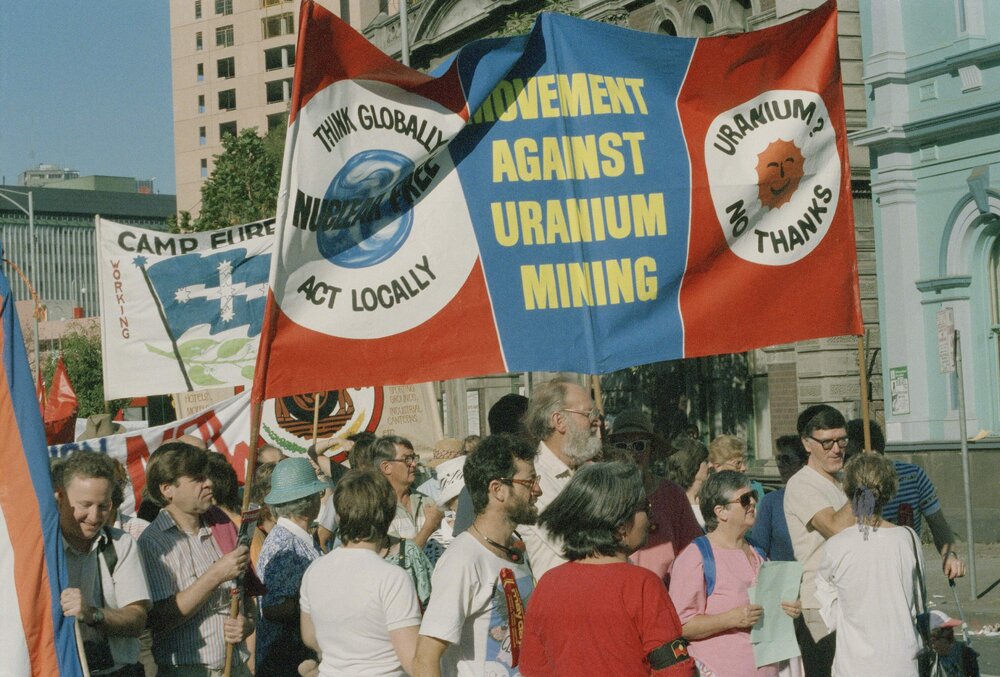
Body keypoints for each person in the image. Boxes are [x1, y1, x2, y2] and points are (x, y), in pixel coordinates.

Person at [520, 461, 695, 676]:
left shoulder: (548, 584)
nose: (650, 515)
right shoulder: (642, 585)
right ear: (620, 526)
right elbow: (675, 670)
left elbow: (533, 668)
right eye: (645, 507)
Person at [413, 435, 539, 677]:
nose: (538, 490)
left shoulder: (514, 548)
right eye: (529, 482)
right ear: (498, 490)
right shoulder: (463, 559)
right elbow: (424, 659)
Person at [138, 442, 255, 676]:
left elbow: (247, 600)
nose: (208, 483)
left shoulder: (222, 527)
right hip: (189, 670)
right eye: (197, 479)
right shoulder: (153, 543)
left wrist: (246, 624)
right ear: (167, 489)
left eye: (207, 476)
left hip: (236, 667)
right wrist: (215, 575)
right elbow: (160, 619)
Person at [671, 471, 801, 676]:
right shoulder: (697, 556)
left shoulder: (758, 552)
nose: (752, 503)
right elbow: (681, 625)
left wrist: (789, 608)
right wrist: (731, 619)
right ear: (721, 511)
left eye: (754, 497)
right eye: (744, 499)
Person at [299, 470, 422, 675]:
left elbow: (310, 636)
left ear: (339, 514)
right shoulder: (392, 578)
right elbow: (413, 660)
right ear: (389, 514)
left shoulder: (315, 570)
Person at [816, 454, 924, 676]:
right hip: (902, 661)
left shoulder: (836, 546)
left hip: (854, 664)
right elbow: (919, 600)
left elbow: (827, 606)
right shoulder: (908, 539)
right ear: (889, 492)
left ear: (849, 492)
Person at [53, 451, 151, 677]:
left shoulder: (120, 543)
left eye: (103, 506)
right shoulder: (41, 551)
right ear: (60, 499)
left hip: (119, 671)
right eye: (85, 505)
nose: (95, 516)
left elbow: (137, 619)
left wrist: (92, 614)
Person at [845, 419, 966, 581]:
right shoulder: (847, 483)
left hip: (907, 574)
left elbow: (938, 525)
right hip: (864, 574)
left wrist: (949, 555)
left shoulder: (913, 476)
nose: (845, 463)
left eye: (850, 458)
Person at [783, 404, 855, 677]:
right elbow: (836, 528)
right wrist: (864, 488)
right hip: (818, 607)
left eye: (841, 440)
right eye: (827, 442)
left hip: (851, 597)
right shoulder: (802, 484)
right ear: (806, 443)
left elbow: (870, 528)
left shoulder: (845, 480)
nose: (836, 449)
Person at [518, 377, 603, 580]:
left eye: (596, 413)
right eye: (588, 413)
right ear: (559, 421)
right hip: (565, 602)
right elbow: (577, 543)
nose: (596, 421)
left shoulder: (587, 471)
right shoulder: (534, 480)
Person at [612, 410, 702, 588]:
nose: (630, 453)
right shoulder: (604, 495)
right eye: (622, 446)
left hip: (665, 593)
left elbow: (693, 551)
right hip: (616, 592)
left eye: (638, 446)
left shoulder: (672, 494)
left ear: (651, 450)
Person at [256, 458, 330, 676]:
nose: (321, 499)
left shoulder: (297, 538)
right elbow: (273, 608)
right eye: (319, 494)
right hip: (285, 662)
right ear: (307, 503)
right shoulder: (285, 544)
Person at [453, 393, 530, 537]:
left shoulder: (472, 486)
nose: (536, 490)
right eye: (534, 426)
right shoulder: (475, 488)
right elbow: (465, 543)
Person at [369, 435, 445, 550]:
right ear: (386, 467)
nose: (414, 464)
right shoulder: (375, 508)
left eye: (414, 458)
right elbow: (399, 559)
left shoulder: (426, 502)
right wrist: (429, 526)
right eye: (407, 459)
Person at [749, 435, 808, 561]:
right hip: (785, 578)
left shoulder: (818, 497)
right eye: (778, 459)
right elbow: (758, 550)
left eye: (786, 459)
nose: (781, 465)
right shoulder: (771, 502)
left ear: (804, 463)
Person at [665, 436, 710, 530]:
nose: (711, 465)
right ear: (693, 465)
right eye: (706, 461)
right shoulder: (674, 505)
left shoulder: (709, 499)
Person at [919, 610, 980, 677]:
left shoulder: (966, 655)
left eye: (951, 631)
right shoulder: (924, 664)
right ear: (931, 641)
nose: (952, 640)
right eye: (948, 636)